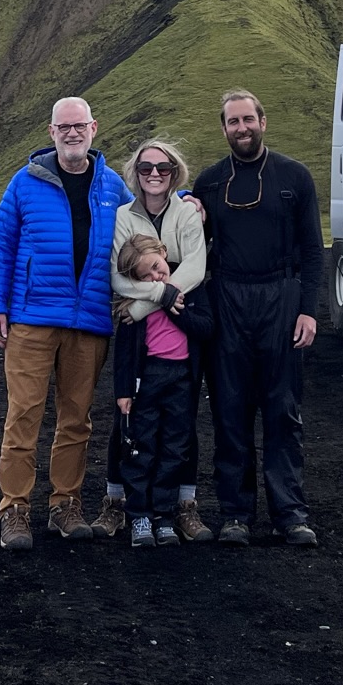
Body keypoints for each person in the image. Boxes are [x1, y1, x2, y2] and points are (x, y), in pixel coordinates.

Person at [0, 96, 131, 550]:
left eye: (79, 125)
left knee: (76, 420)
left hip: (88, 322)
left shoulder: (111, 186)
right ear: (51, 132)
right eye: (63, 126)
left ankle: (65, 505)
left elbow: (148, 218)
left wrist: (188, 200)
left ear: (93, 128)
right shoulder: (24, 183)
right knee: (23, 415)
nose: (71, 133)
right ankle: (15, 509)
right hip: (31, 319)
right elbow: (2, 247)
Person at [191, 89, 323, 547]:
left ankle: (290, 513)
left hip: (281, 297)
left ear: (263, 122)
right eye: (233, 122)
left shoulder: (294, 177)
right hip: (227, 297)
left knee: (283, 410)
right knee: (230, 409)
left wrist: (309, 309)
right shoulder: (208, 184)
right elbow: (190, 246)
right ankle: (235, 514)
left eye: (248, 119)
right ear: (224, 128)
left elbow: (312, 250)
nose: (242, 128)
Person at [93, 137, 211, 542]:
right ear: (136, 173)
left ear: (175, 171)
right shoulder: (125, 216)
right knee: (132, 429)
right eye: (146, 168)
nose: (155, 174)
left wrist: (153, 299)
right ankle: (123, 505)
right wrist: (161, 296)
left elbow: (196, 266)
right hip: (147, 345)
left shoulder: (187, 212)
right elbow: (119, 276)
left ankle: (179, 508)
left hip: (179, 329)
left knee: (181, 432)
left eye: (163, 167)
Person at [111, 233, 213, 547]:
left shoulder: (192, 289)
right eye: (146, 276)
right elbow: (125, 351)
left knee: (174, 447)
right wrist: (123, 390)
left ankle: (165, 516)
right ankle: (139, 515)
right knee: (141, 447)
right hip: (148, 379)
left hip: (182, 378)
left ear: (163, 252)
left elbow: (205, 328)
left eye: (157, 266)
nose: (156, 276)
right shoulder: (135, 305)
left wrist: (171, 305)